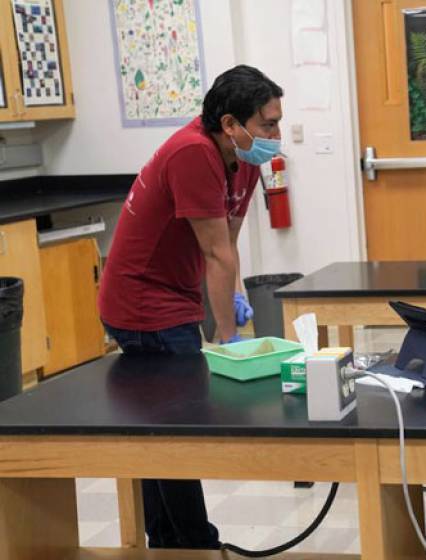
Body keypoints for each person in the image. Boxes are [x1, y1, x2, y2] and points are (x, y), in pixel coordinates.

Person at [97, 65, 283, 549]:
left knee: (159, 425)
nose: (275, 135)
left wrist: (234, 296)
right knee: (175, 430)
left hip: (174, 293)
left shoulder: (246, 157)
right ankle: (195, 543)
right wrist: (227, 337)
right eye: (267, 124)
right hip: (140, 300)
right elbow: (214, 253)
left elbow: (229, 241)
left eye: (277, 122)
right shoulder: (192, 153)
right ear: (230, 124)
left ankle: (167, 542)